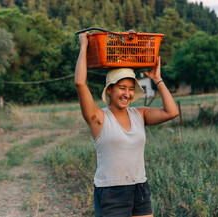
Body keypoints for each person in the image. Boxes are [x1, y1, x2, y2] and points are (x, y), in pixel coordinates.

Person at [74, 32, 179, 217]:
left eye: (131, 89)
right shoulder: (98, 118)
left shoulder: (140, 114)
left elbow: (172, 112)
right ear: (110, 89)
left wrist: (157, 79)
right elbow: (80, 83)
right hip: (111, 191)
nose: (127, 94)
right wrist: (84, 45)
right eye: (122, 88)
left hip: (139, 188)